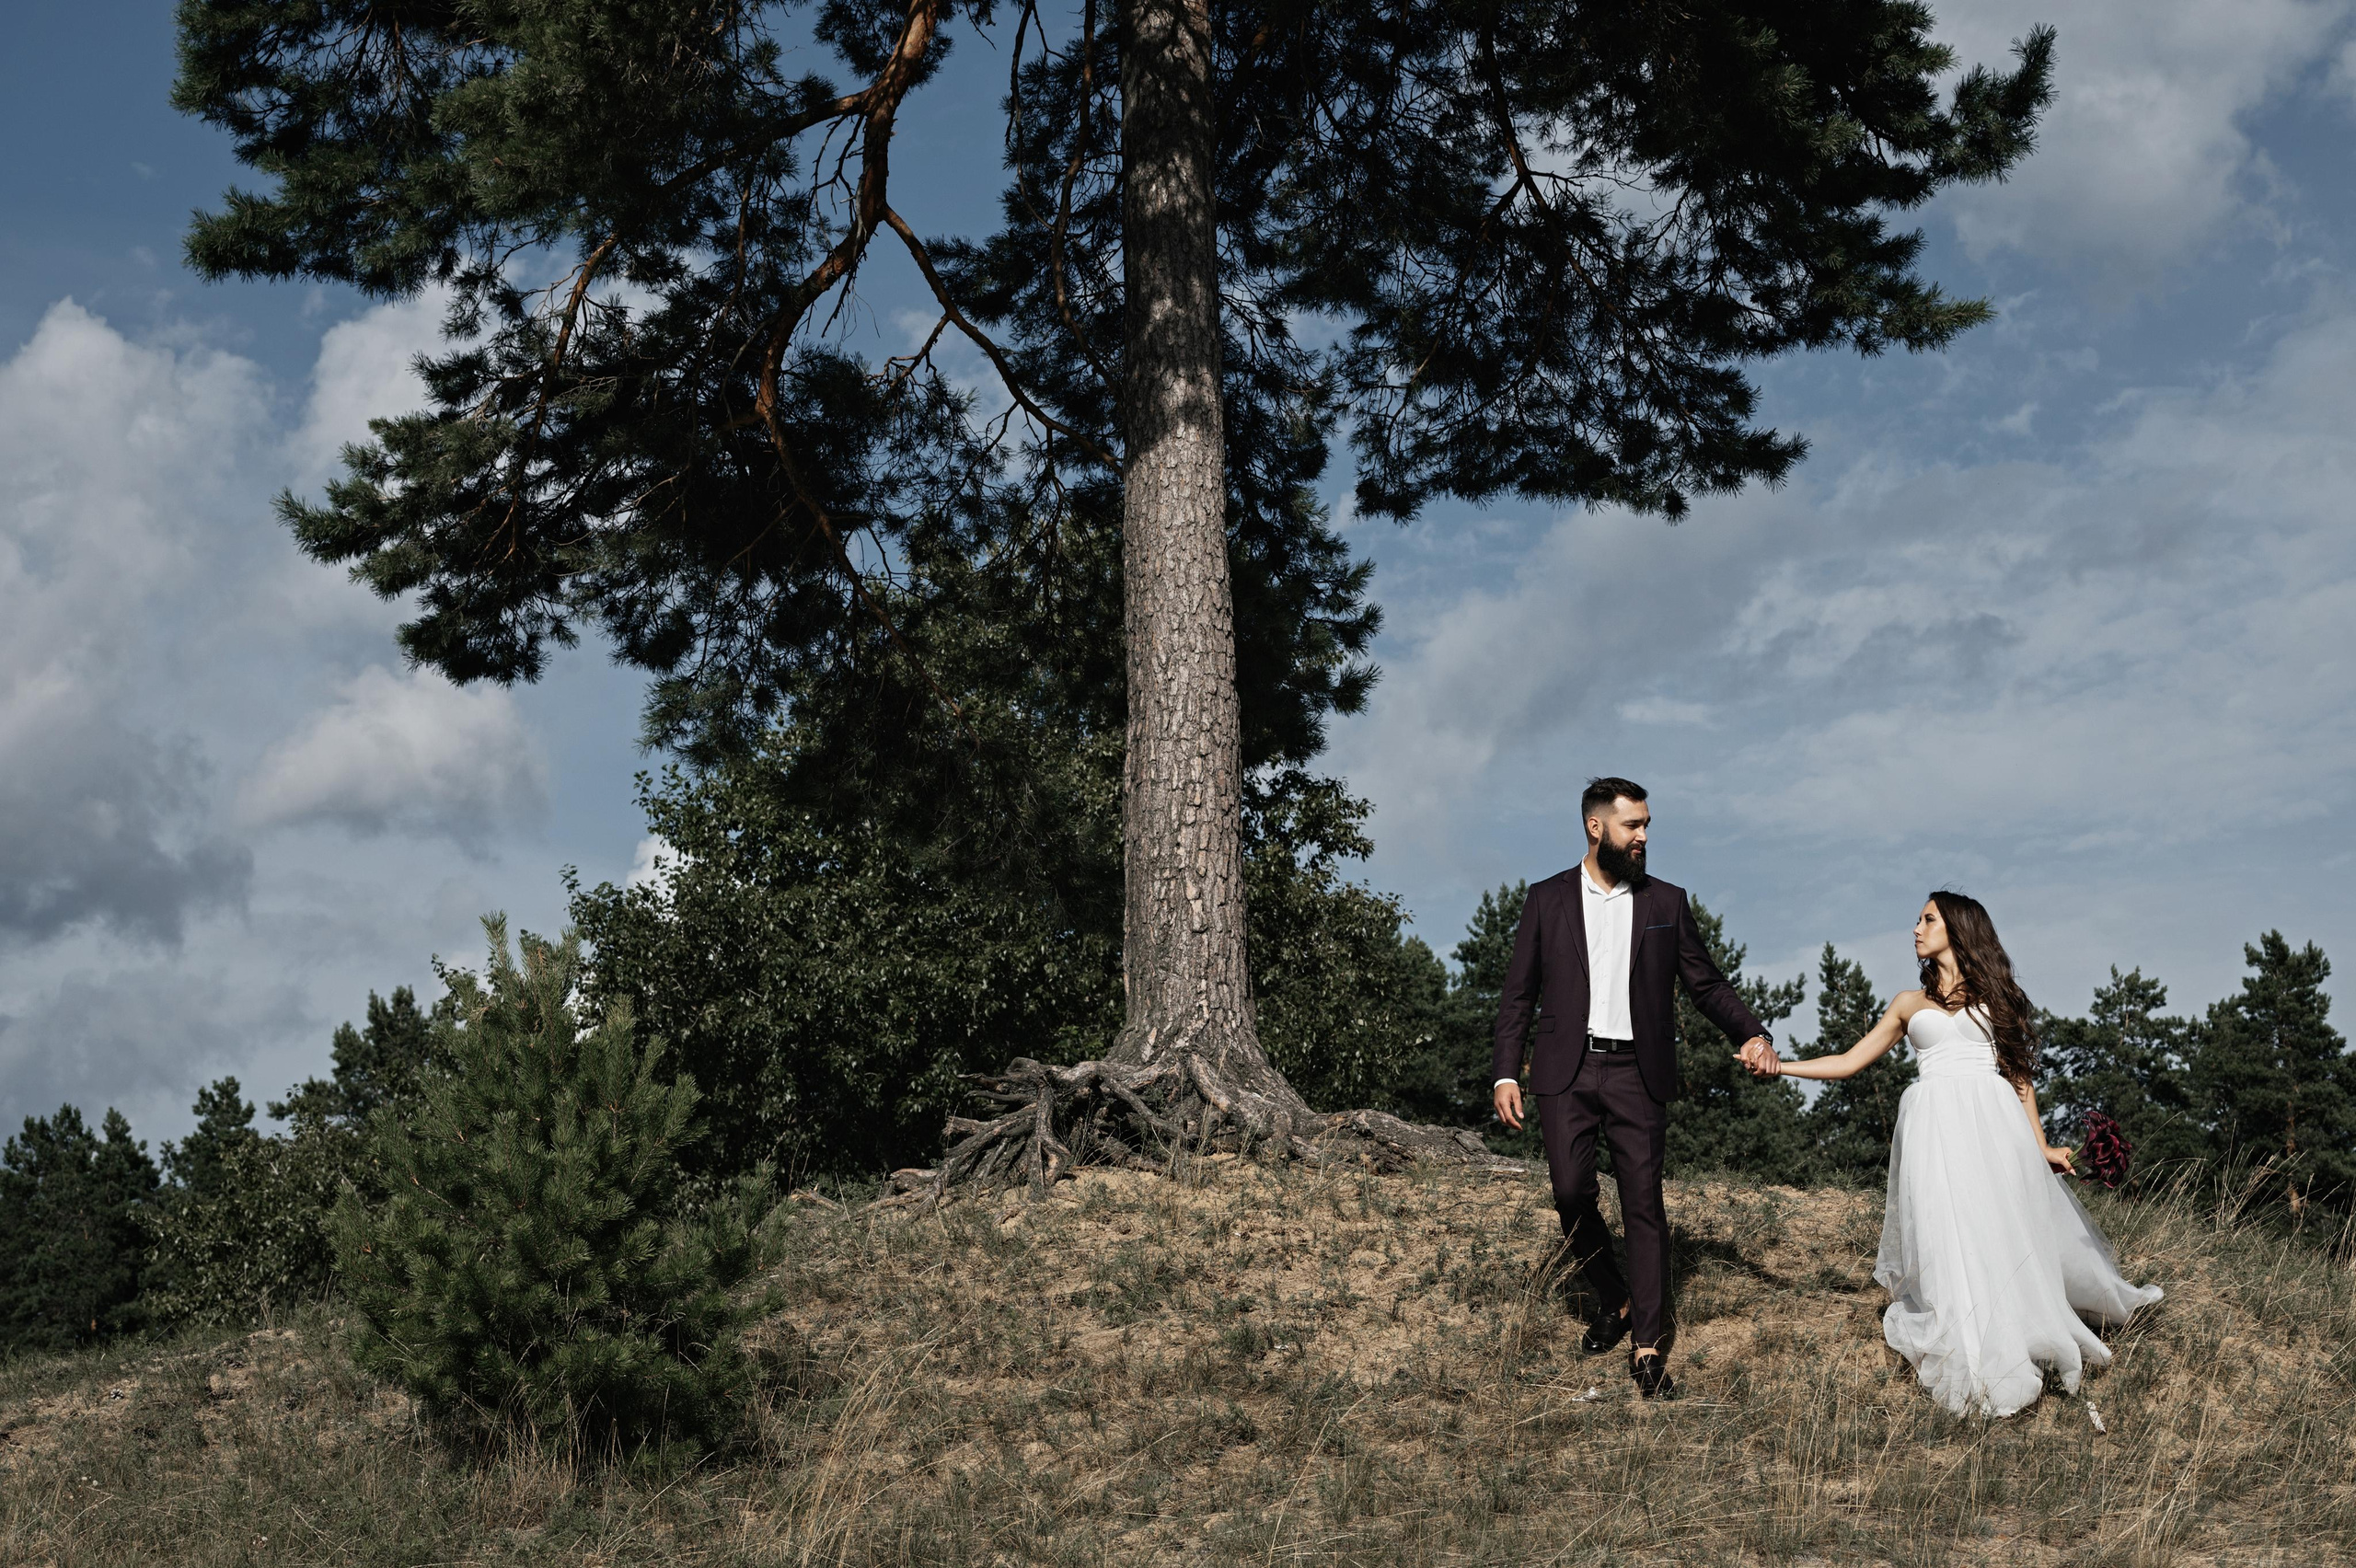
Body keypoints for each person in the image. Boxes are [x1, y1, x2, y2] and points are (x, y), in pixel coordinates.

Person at [1738, 890, 2164, 1416]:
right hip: (1934, 1132)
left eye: (1928, 919)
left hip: (1994, 1127)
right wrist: (1782, 1067)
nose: (1916, 929)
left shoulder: (1997, 997)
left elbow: (2019, 1079)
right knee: (1946, 1232)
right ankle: (1974, 1349)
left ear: (1958, 928)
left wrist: (2041, 1145)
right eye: (1918, 920)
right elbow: (1849, 1061)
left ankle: (2030, 1325)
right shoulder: (1907, 1004)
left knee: (2001, 1229)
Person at [1493, 777, 1773, 1399]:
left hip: (1638, 1074)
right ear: (1596, 827)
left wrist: (1753, 1033)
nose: (1643, 835)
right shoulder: (1546, 898)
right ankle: (1614, 1295)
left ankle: (1647, 1348)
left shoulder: (1666, 902)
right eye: (1633, 825)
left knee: (1643, 1205)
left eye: (1646, 825)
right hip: (1565, 1071)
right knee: (1570, 1192)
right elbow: (1518, 995)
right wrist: (1506, 1071)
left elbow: (1706, 984)